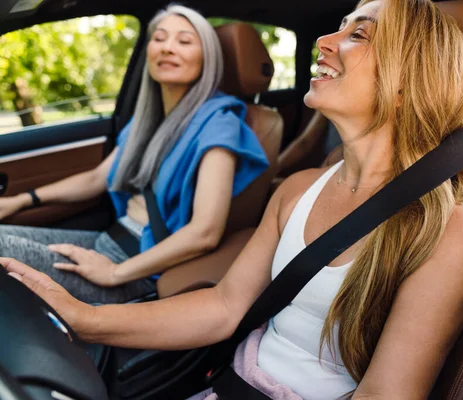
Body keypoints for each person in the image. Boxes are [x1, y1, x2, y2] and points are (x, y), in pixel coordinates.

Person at [2, 0, 463, 397]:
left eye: (359, 35)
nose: (325, 42)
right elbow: (224, 308)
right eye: (339, 27)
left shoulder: (443, 232)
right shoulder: (297, 191)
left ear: (410, 78)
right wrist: (86, 319)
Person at [0, 5, 269, 305]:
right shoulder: (149, 121)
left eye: (184, 41)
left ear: (208, 59)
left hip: (144, 271)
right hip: (110, 241)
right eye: (160, 38)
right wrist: (20, 201)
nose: (168, 48)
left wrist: (115, 272)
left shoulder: (220, 123)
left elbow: (205, 232)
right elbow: (97, 178)